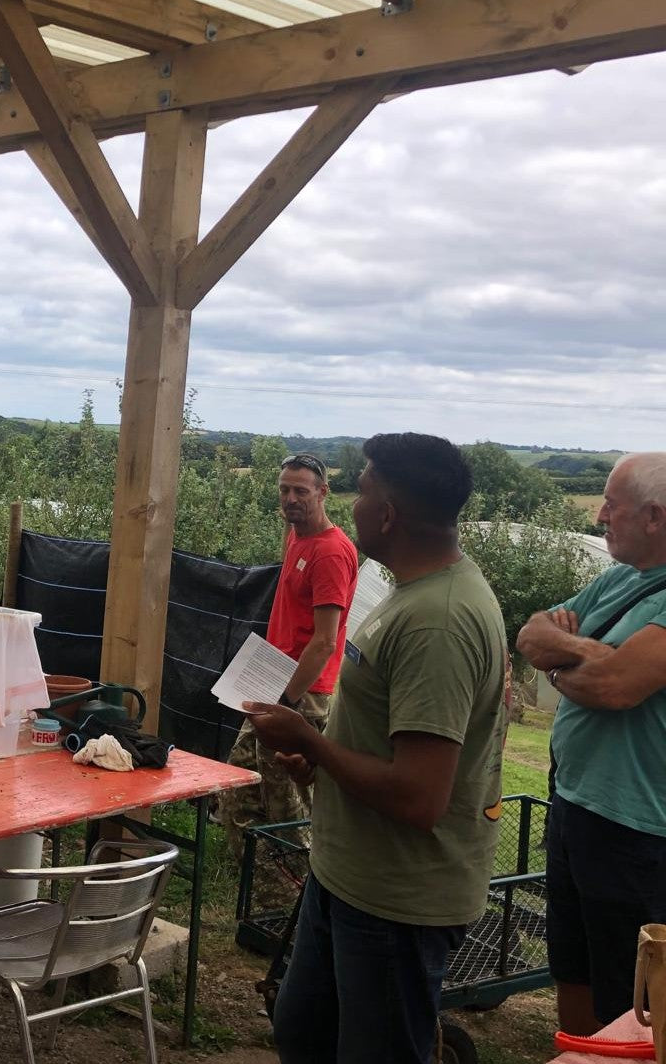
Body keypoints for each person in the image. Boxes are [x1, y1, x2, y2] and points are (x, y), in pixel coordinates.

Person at [245, 432, 508, 1064]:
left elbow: (420, 797)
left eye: (361, 489)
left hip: (396, 901)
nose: (354, 504)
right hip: (349, 875)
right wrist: (323, 756)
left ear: (387, 511)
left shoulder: (437, 621)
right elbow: (384, 738)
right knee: (303, 1031)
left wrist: (309, 737)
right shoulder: (410, 594)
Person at [516, 452, 666, 1035]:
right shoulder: (619, 577)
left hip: (637, 831)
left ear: (654, 516)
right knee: (572, 966)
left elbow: (615, 687)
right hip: (576, 804)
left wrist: (569, 658)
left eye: (612, 505)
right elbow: (532, 631)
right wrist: (574, 658)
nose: (600, 515)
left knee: (629, 1001)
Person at [220, 452, 358, 860]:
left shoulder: (331, 553)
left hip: (303, 692)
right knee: (239, 784)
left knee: (288, 802)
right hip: (272, 677)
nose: (291, 498)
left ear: (323, 492)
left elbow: (325, 641)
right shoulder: (296, 533)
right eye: (284, 489)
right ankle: (256, 878)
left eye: (301, 490)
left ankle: (297, 883)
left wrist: (288, 701)